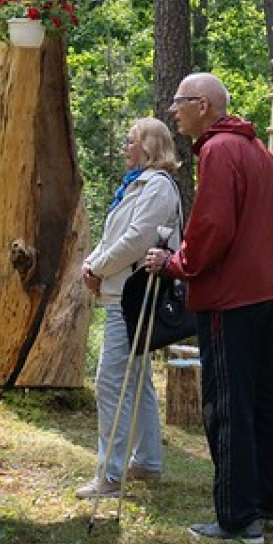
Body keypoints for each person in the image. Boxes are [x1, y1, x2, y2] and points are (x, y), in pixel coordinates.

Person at [144, 72, 273, 544]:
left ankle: (239, 519)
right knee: (264, 401)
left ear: (203, 105)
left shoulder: (219, 151)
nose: (173, 111)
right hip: (264, 299)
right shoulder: (260, 152)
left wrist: (177, 264)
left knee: (227, 406)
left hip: (229, 301)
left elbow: (213, 227)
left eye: (179, 102)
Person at [75, 117, 183, 499]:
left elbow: (138, 240)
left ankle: (110, 474)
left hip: (132, 296)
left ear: (149, 146)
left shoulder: (157, 186)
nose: (125, 147)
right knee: (136, 379)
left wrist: (99, 269)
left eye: (131, 141)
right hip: (120, 291)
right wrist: (91, 264)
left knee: (111, 382)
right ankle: (147, 462)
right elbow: (115, 236)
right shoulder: (136, 185)